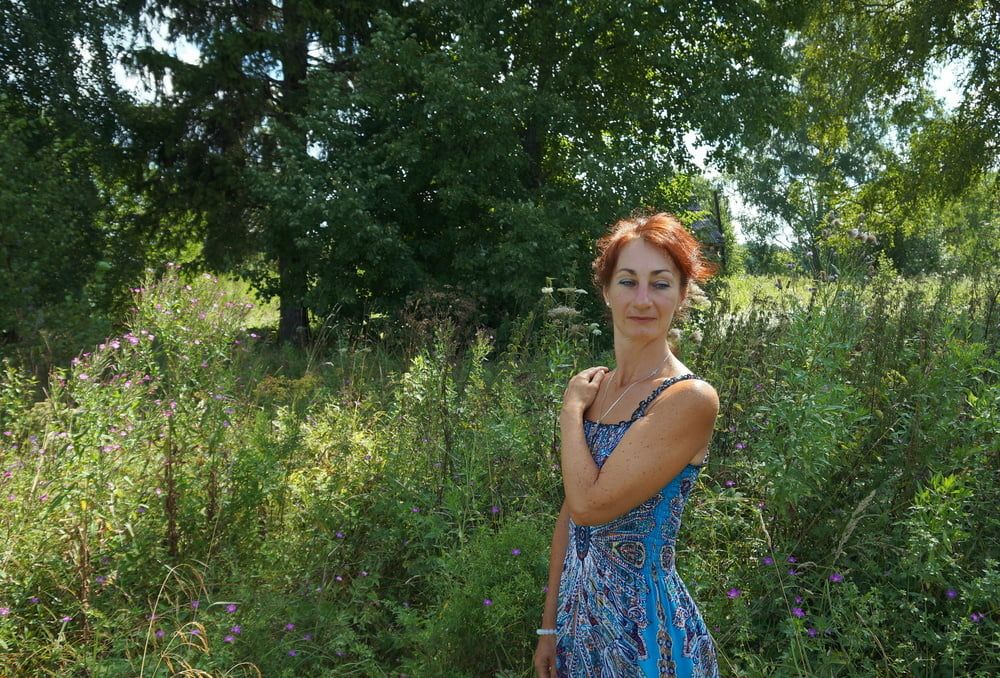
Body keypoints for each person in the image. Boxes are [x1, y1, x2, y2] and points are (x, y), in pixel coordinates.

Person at [533, 213, 721, 677]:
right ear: (606, 291)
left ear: (680, 295)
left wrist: (569, 412)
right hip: (579, 632)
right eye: (627, 281)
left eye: (660, 284)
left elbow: (590, 506)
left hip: (646, 641)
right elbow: (568, 515)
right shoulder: (601, 387)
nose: (642, 300)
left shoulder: (687, 398)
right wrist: (549, 628)